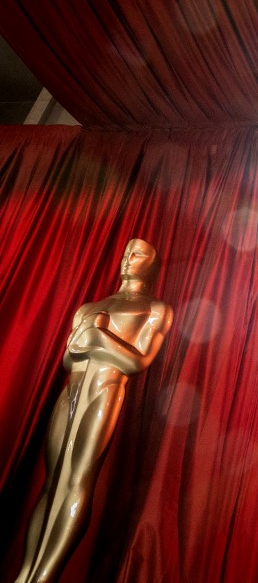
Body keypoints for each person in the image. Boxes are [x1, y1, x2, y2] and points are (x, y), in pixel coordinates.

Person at [16, 239, 173, 583]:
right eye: (127, 252)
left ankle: (46, 574)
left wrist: (98, 334)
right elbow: (68, 358)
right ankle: (27, 573)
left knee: (78, 480)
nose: (128, 258)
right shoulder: (90, 307)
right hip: (71, 391)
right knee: (51, 482)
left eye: (138, 253)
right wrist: (91, 336)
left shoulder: (155, 309)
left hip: (105, 391)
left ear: (152, 264)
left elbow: (136, 362)